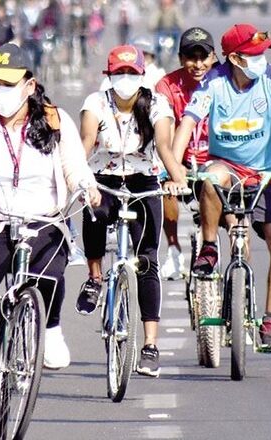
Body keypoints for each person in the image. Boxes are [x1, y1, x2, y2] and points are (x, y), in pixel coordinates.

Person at [0, 43, 101, 408]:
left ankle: (50, 325)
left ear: (30, 84)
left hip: (43, 220)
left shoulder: (57, 120)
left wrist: (85, 187)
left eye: (9, 83)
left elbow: (75, 167)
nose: (0, 91)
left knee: (48, 272)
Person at [172, 24, 271, 351]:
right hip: (228, 167)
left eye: (262, 54)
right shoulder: (213, 82)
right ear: (234, 58)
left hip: (269, 174)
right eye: (252, 55)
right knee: (212, 178)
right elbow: (189, 122)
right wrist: (177, 167)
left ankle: (270, 320)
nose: (260, 60)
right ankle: (209, 247)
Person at [74, 45, 188, 378]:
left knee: (147, 261)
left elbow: (165, 147)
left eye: (131, 74)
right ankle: (95, 278)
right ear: (108, 76)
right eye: (119, 74)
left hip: (143, 180)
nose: (125, 80)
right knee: (93, 207)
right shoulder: (95, 103)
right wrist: (75, 177)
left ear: (142, 75)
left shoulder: (156, 104)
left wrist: (177, 179)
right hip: (105, 178)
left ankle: (150, 344)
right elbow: (86, 142)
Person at [155, 27, 218, 280]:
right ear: (181, 58)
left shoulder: (223, 81)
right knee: (164, 182)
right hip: (181, 160)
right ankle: (172, 250)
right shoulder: (167, 85)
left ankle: (241, 288)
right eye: (191, 57)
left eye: (204, 57)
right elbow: (165, 130)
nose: (198, 64)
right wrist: (174, 167)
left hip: (217, 162)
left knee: (238, 224)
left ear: (213, 57)